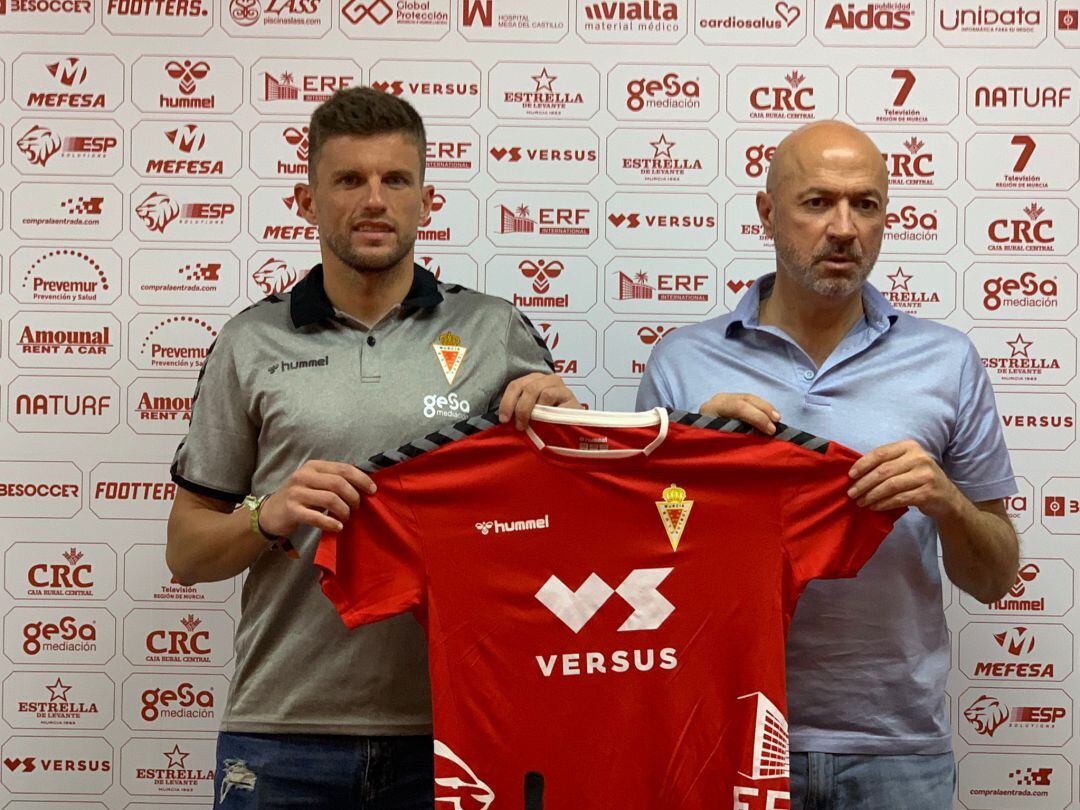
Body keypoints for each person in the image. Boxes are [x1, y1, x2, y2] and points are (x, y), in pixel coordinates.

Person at [166, 86, 577, 808]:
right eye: (349, 180)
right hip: (285, 730)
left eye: (396, 180)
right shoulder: (249, 342)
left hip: (461, 728)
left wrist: (565, 431)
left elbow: (569, 523)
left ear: (426, 199)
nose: (374, 200)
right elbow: (188, 552)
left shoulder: (494, 329)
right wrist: (269, 513)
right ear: (307, 200)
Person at [637, 120, 1018, 809]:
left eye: (865, 204)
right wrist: (690, 460)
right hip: (723, 731)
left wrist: (948, 503)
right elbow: (639, 566)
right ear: (767, 212)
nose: (843, 227)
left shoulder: (947, 360)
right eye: (817, 202)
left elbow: (993, 579)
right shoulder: (683, 362)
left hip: (897, 752)